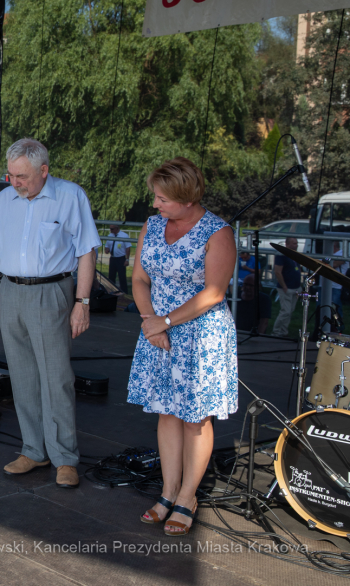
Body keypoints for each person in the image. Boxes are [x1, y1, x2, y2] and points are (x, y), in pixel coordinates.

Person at [0, 138, 100, 490]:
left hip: (52, 291)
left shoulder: (70, 196)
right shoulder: (4, 200)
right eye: (11, 175)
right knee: (23, 375)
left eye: (23, 176)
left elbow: (86, 253)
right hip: (11, 291)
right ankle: (33, 449)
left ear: (44, 171)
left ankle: (64, 458)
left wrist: (82, 302)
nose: (16, 182)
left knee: (56, 377)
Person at [128, 157, 237, 537]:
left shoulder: (217, 232)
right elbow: (139, 279)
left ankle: (188, 497)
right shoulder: (152, 225)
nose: (155, 205)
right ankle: (168, 491)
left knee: (195, 418)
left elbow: (214, 293)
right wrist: (150, 321)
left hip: (200, 336)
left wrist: (167, 321)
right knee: (166, 412)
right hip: (159, 330)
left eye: (162, 199)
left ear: (187, 198)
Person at [271, 236, 301, 337]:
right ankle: (276, 332)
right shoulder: (281, 255)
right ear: (287, 244)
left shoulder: (295, 255)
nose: (296, 246)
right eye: (293, 243)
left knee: (290, 311)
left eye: (296, 243)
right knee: (285, 311)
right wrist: (284, 286)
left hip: (295, 287)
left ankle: (284, 331)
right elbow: (277, 272)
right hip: (286, 287)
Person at [105, 224, 131, 294]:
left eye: (112, 229)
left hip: (121, 259)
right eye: (110, 229)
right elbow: (107, 246)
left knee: (122, 277)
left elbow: (128, 248)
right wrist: (107, 249)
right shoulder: (109, 236)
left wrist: (127, 259)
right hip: (113, 258)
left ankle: (124, 292)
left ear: (117, 228)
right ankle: (111, 291)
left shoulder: (124, 236)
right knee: (111, 277)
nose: (110, 230)